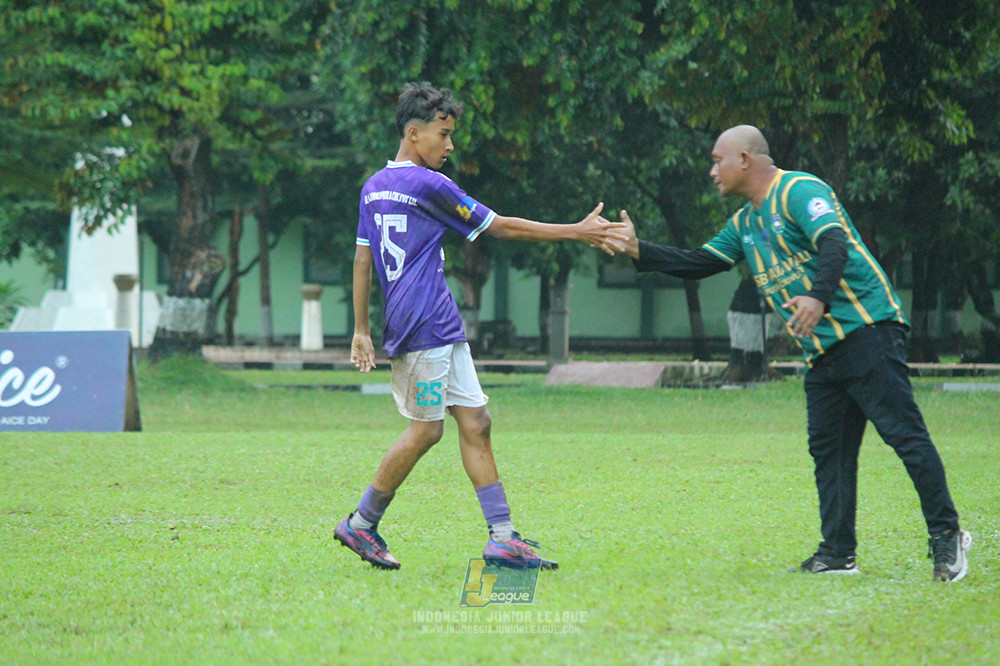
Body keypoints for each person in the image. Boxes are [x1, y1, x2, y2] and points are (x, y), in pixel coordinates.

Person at [610, 125, 971, 581]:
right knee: (829, 451)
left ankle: (947, 535)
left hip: (868, 331)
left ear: (745, 159)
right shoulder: (745, 224)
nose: (711, 170)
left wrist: (818, 296)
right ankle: (838, 553)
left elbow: (834, 242)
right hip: (822, 353)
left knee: (905, 436)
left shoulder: (799, 189)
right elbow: (701, 262)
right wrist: (638, 249)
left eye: (717, 159)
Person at [334, 81, 624, 571]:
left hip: (440, 324)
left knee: (476, 422)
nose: (449, 146)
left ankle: (504, 538)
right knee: (426, 431)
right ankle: (361, 524)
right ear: (413, 132)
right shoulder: (430, 185)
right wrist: (575, 231)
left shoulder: (374, 186)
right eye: (443, 135)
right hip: (422, 327)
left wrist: (362, 327)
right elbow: (500, 226)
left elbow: (362, 261)